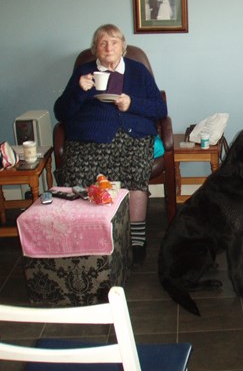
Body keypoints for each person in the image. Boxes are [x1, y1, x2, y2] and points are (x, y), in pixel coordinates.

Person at [54, 23, 167, 266]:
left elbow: (160, 108)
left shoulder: (137, 71)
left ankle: (136, 240)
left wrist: (132, 103)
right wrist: (79, 91)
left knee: (136, 170)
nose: (108, 47)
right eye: (103, 42)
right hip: (90, 134)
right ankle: (88, 232)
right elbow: (61, 112)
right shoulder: (84, 72)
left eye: (114, 42)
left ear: (123, 47)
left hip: (132, 134)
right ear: (95, 48)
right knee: (76, 169)